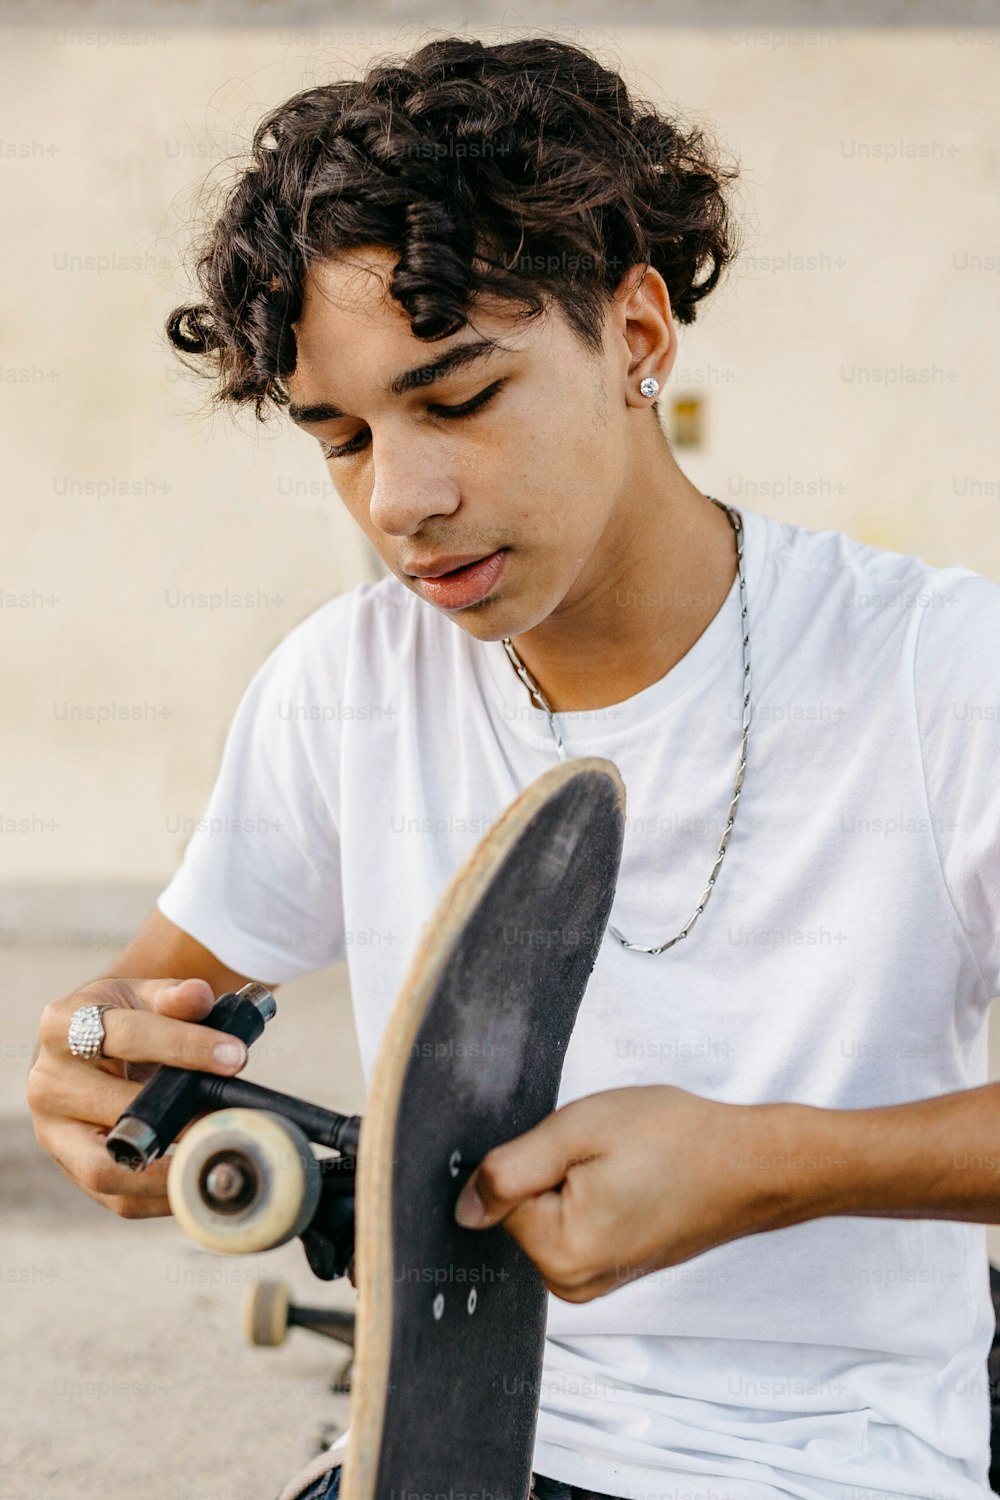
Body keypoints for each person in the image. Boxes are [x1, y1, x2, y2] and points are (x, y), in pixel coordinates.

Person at [26, 34, 1000, 1500]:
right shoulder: (344, 684)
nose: (402, 503)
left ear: (639, 337)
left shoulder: (938, 670)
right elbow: (142, 1004)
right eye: (340, 438)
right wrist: (94, 1067)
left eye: (462, 398)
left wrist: (771, 1163)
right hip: (437, 1452)